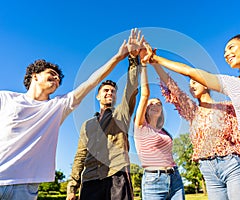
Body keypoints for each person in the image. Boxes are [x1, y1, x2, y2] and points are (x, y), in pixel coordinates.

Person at [142, 31, 240, 199]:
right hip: (219, 166)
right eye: (224, 52)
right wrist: (155, 61)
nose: (226, 54)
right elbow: (179, 80)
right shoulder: (196, 110)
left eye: (231, 48)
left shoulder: (229, 106)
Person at [0, 28, 136, 200]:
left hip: (25, 189)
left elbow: (91, 81)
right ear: (34, 76)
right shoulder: (5, 98)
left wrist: (121, 58)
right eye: (52, 74)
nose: (56, 79)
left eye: (58, 78)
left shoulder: (57, 106)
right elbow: (81, 154)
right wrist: (73, 184)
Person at [153, 63, 240, 200]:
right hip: (208, 170)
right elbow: (173, 89)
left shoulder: (227, 108)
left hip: (232, 165)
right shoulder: (192, 112)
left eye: (195, 81)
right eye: (190, 83)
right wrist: (154, 63)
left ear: (206, 84)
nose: (192, 85)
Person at [66, 29, 142, 200]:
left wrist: (132, 60)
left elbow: (131, 89)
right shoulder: (87, 125)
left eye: (113, 91)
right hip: (90, 179)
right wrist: (73, 185)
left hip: (117, 176)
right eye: (106, 90)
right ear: (98, 95)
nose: (110, 93)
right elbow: (80, 154)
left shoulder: (121, 114)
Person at [133, 51, 185, 200]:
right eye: (151, 104)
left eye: (159, 104)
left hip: (175, 178)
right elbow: (145, 94)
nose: (155, 105)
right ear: (145, 110)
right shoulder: (141, 126)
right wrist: (143, 64)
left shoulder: (164, 132)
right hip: (153, 181)